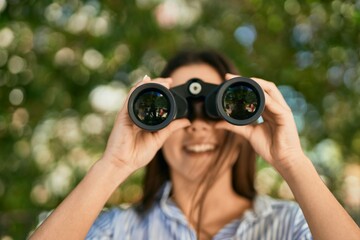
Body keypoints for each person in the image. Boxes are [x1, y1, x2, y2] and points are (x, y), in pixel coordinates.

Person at [30, 50, 360, 240]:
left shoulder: (290, 224)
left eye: (219, 107)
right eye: (181, 107)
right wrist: (113, 165)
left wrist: (291, 160)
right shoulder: (119, 230)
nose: (199, 124)